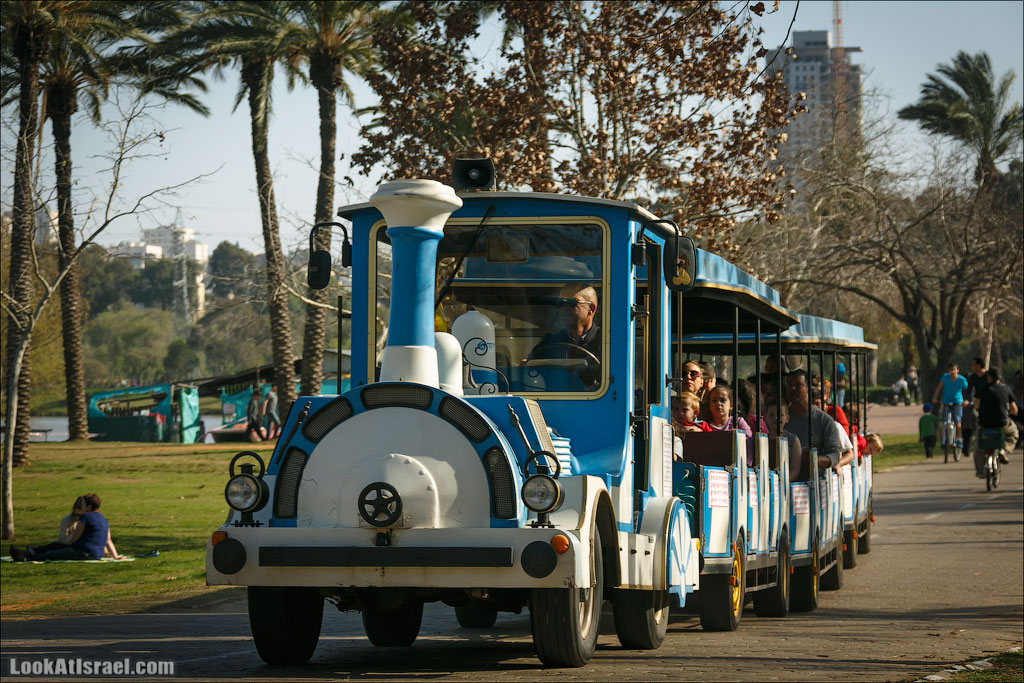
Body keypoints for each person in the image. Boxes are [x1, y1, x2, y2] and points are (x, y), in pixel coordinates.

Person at [10, 493, 121, 562]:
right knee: (55, 546)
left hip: (83, 552)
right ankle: (26, 552)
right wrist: (115, 556)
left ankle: (26, 558)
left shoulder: (86, 517)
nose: (82, 507)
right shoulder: (104, 519)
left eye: (83, 505)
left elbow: (74, 539)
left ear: (89, 506)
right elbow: (108, 540)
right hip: (96, 554)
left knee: (51, 554)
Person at [785, 370, 843, 470]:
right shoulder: (780, 419)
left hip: (814, 481)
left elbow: (834, 456)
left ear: (808, 388)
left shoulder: (825, 421)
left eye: (798, 385)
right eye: (790, 385)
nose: (793, 388)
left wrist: (812, 459)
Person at [973, 367, 1019, 476]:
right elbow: (1014, 409)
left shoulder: (982, 389)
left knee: (978, 446)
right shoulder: (1006, 389)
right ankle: (1004, 449)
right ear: (999, 377)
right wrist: (1010, 413)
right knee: (1014, 433)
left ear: (989, 377)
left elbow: (976, 405)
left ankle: (980, 471)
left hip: (984, 424)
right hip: (1002, 423)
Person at [705, 385, 754, 465]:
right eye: (714, 400)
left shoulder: (739, 423)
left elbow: (749, 445)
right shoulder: (704, 425)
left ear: (731, 405)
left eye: (723, 400)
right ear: (709, 406)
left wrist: (746, 466)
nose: (718, 404)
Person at [931, 363, 969, 448]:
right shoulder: (945, 377)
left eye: (953, 370)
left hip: (957, 402)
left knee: (957, 421)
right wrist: (935, 397)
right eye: (950, 370)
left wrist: (966, 400)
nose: (952, 372)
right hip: (946, 402)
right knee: (944, 422)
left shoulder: (961, 380)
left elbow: (967, 390)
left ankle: (959, 439)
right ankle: (944, 440)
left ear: (957, 370)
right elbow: (939, 387)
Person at [766, 401, 803, 481]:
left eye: (780, 415)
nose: (776, 418)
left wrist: (781, 481)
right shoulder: (762, 440)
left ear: (787, 418)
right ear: (766, 417)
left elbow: (795, 470)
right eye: (771, 415)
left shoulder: (793, 441)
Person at [962, 358, 987, 455]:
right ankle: (973, 442)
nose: (971, 366)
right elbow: (969, 391)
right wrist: (967, 400)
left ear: (979, 366)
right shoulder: (972, 377)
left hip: (989, 403)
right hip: (978, 404)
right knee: (972, 417)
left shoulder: (988, 376)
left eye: (973, 364)